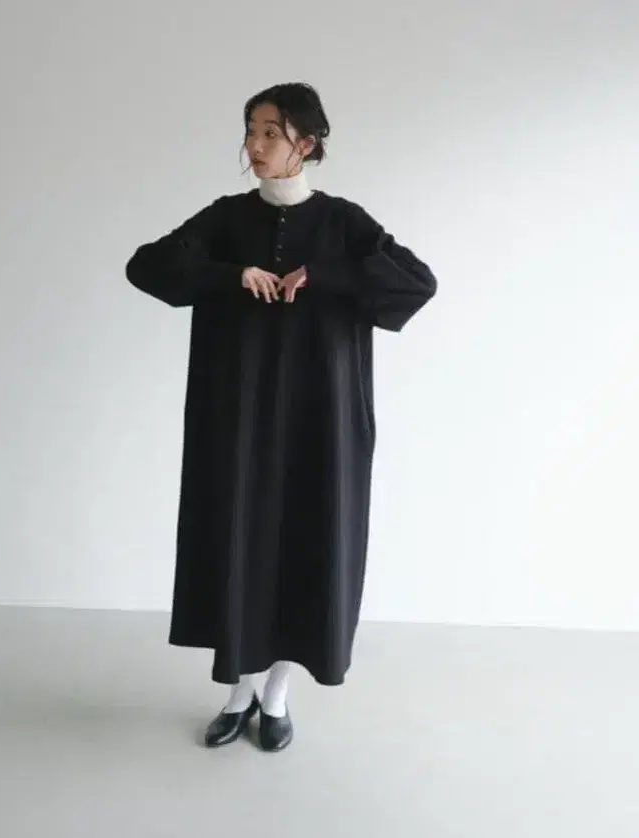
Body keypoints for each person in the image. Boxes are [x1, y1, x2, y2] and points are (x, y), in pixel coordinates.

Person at [126, 82, 437, 752]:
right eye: (251, 130)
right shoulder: (226, 218)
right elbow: (146, 266)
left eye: (272, 132)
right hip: (235, 418)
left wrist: (322, 276)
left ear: (308, 143)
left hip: (321, 422)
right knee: (237, 540)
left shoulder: (345, 224)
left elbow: (417, 283)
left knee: (309, 541)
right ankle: (238, 692)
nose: (256, 144)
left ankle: (277, 695)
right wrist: (230, 274)